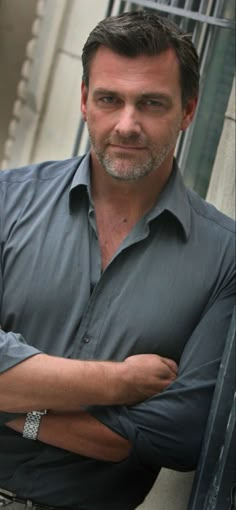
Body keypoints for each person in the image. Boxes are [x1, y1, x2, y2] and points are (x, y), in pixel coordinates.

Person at [0, 9, 235, 510]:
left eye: (151, 103)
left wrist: (19, 406)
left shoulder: (225, 257)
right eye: (110, 99)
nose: (127, 124)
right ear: (85, 100)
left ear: (189, 110)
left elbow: (179, 435)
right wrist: (121, 383)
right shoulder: (7, 202)